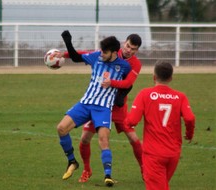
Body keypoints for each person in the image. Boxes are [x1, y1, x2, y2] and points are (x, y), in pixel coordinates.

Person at [56, 30, 131, 187]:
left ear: (113, 52)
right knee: (61, 128)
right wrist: (68, 42)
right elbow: (76, 57)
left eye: (105, 51)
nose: (101, 53)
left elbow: (128, 85)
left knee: (103, 140)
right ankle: (72, 161)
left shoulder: (124, 66)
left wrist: (119, 99)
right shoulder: (96, 56)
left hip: (103, 108)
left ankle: (107, 176)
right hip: (85, 103)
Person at [77, 34, 143, 183]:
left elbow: (127, 84)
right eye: (127, 46)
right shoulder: (111, 51)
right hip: (99, 105)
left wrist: (110, 83)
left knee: (133, 138)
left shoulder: (136, 64)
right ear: (123, 44)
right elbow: (85, 54)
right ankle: (87, 169)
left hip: (117, 108)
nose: (129, 51)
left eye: (133, 49)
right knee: (85, 138)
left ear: (137, 50)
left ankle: (144, 169)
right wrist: (64, 54)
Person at [124, 61, 195, 190]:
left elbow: (133, 120)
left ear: (154, 77)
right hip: (173, 153)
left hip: (153, 154)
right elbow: (190, 118)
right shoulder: (180, 97)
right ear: (171, 78)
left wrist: (127, 123)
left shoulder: (145, 94)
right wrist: (189, 134)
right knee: (162, 185)